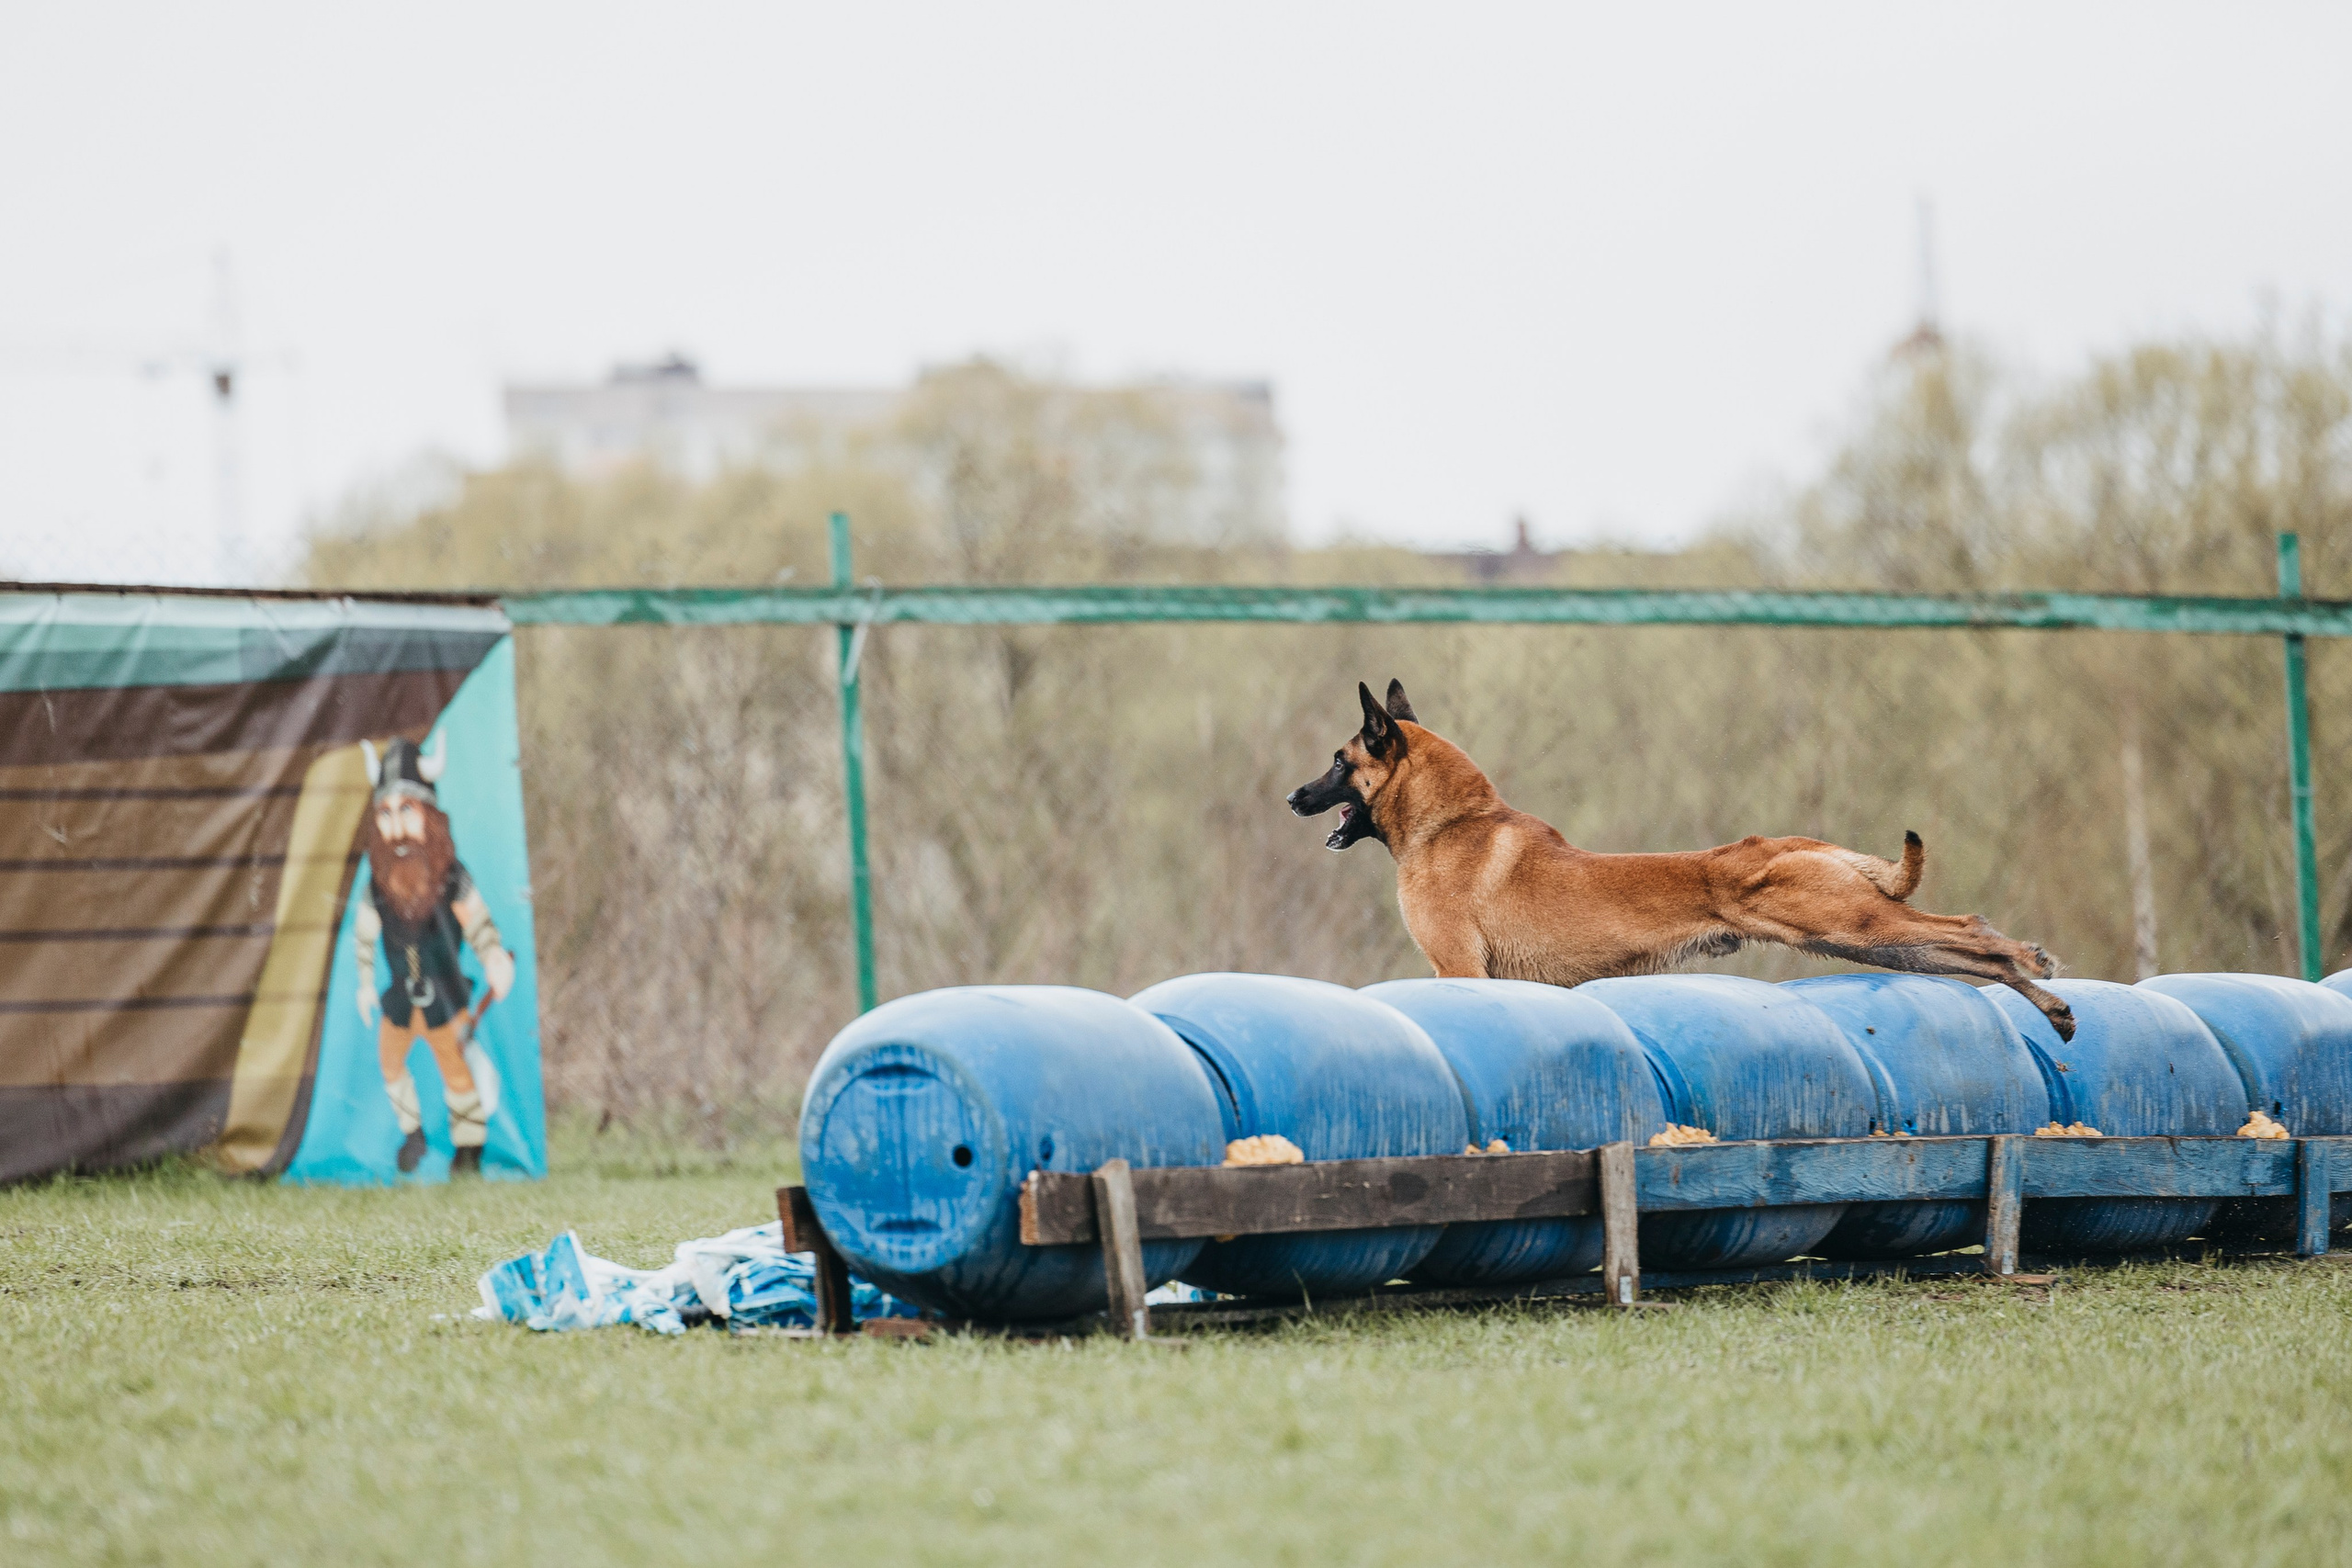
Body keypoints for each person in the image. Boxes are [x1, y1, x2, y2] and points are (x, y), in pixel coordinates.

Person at [352, 733, 515, 1174]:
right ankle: (412, 1135)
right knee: (391, 1065)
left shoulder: (452, 876)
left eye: (407, 809)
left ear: (429, 814)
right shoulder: (379, 884)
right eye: (385, 813)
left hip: (446, 1000)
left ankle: (467, 1152)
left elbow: (478, 924)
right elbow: (364, 934)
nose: (397, 826)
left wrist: (495, 958)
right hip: (400, 1002)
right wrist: (366, 985)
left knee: (458, 1076)